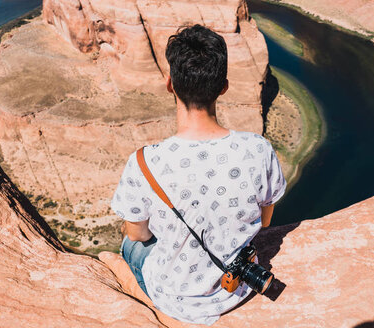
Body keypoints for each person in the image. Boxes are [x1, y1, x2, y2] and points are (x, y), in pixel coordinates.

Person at [110, 24, 287, 325]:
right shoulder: (258, 149)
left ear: (170, 84)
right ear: (223, 87)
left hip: (172, 297)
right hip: (237, 288)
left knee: (129, 244)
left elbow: (138, 234)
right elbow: (266, 221)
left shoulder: (143, 162)